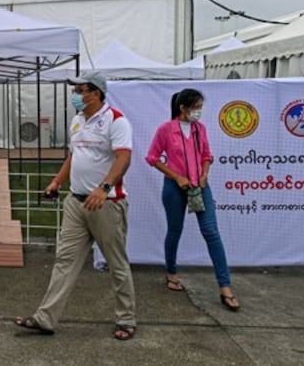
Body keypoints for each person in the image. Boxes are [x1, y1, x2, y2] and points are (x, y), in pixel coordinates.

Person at [14, 71, 137, 340]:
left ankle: (126, 320)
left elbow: (124, 158)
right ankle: (45, 318)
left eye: (81, 90)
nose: (76, 96)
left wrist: (104, 188)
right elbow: (75, 155)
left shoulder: (116, 120)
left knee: (116, 263)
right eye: (76, 91)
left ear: (96, 93)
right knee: (64, 260)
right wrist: (57, 181)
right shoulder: (78, 120)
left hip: (106, 204)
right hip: (75, 202)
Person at [145, 88, 241, 311]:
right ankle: (171, 272)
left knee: (211, 232)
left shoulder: (200, 129)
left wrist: (204, 175)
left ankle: (225, 286)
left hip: (200, 187)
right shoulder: (166, 130)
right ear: (183, 107)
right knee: (174, 230)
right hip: (175, 187)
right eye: (196, 107)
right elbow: (152, 158)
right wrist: (176, 177)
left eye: (200, 107)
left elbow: (207, 155)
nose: (199, 112)